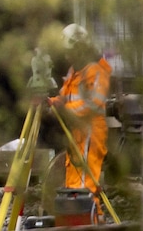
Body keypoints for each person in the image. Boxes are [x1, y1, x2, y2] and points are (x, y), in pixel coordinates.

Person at [48, 23, 112, 219]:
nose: (67, 57)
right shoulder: (75, 72)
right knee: (74, 189)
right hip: (77, 135)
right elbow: (66, 96)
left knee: (84, 189)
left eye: (69, 52)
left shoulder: (95, 72)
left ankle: (91, 222)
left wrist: (63, 109)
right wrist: (50, 102)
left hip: (90, 135)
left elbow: (92, 105)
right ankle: (83, 221)